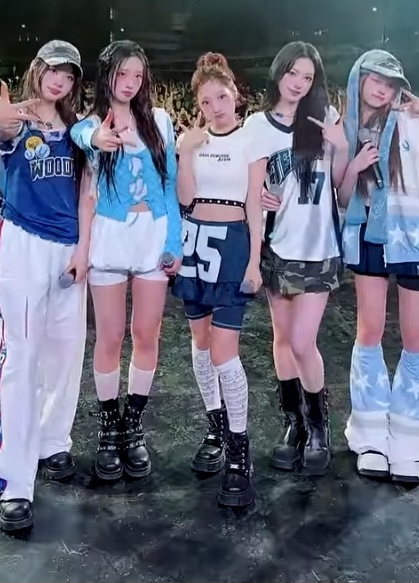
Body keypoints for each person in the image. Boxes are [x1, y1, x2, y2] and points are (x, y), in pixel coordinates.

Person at [339, 50, 419, 485]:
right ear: (360, 79)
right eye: (376, 79)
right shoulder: (346, 127)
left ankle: (409, 442)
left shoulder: (410, 121)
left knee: (415, 337)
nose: (382, 89)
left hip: (415, 234)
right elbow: (341, 194)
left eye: (390, 84)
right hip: (370, 234)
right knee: (369, 331)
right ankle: (371, 436)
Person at [0, 40, 89, 531]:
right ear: (38, 70)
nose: (59, 80)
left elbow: (86, 192)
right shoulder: (17, 117)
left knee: (65, 351)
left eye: (69, 74)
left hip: (67, 248)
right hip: (22, 241)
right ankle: (13, 481)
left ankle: (51, 441)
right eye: (53, 70)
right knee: (19, 358)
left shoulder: (78, 129)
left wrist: (83, 249)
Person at [70, 40, 182, 482]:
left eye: (138, 75)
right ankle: (108, 427)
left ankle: (133, 423)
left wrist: (174, 242)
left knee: (146, 333)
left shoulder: (160, 121)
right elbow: (80, 135)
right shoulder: (93, 123)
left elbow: (169, 186)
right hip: (110, 236)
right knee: (111, 335)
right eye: (122, 74)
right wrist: (96, 137)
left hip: (153, 235)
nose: (130, 83)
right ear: (108, 75)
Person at [243, 41, 349, 476]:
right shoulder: (257, 125)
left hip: (319, 249)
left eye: (308, 77)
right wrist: (253, 256)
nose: (299, 83)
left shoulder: (326, 118)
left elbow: (339, 188)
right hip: (278, 246)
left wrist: (341, 148)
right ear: (278, 72)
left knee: (304, 342)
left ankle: (319, 425)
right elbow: (252, 194)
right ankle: (295, 424)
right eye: (293, 73)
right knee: (283, 339)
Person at [173, 52, 266, 507]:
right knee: (201, 344)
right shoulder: (190, 139)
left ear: (235, 95)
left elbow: (254, 205)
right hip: (194, 242)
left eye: (222, 97)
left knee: (224, 353)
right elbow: (185, 198)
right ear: (199, 104)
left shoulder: (251, 140)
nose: (216, 107)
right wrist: (185, 153)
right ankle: (215, 425)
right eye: (206, 102)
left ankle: (239, 449)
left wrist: (254, 262)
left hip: (232, 246)